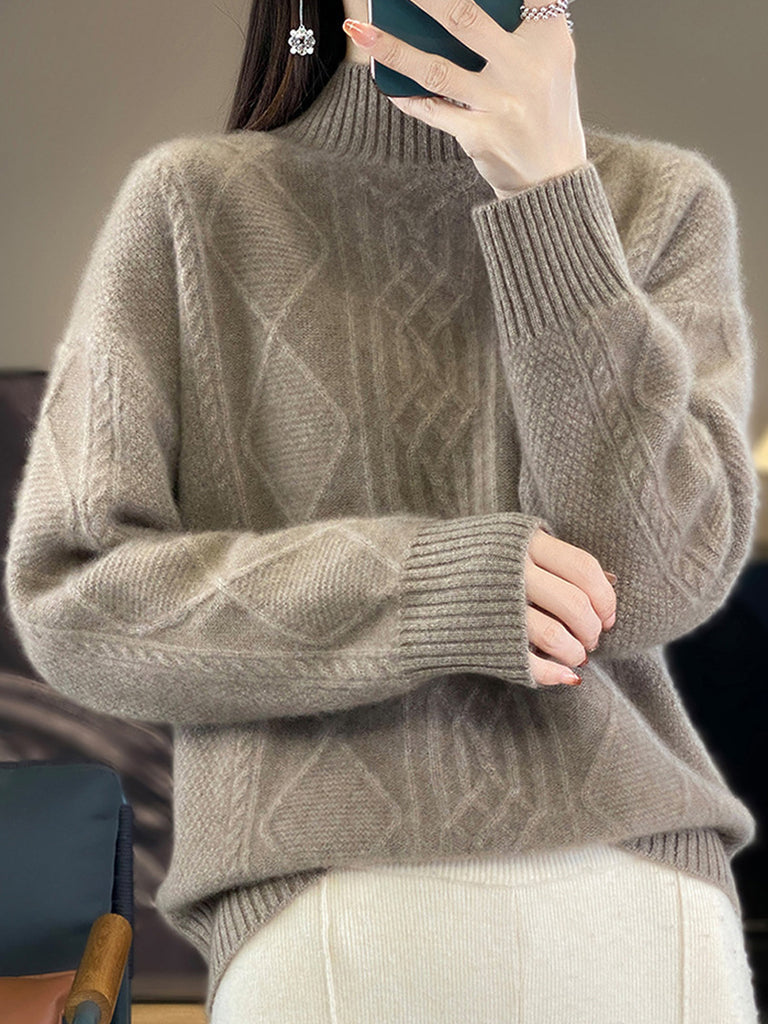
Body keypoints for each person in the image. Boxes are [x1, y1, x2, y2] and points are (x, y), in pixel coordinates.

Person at [3, 0, 762, 1021]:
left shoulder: (659, 203)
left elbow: (659, 582)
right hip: (332, 921)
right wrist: (429, 590)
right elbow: (72, 598)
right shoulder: (195, 203)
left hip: (645, 911)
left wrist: (550, 200)